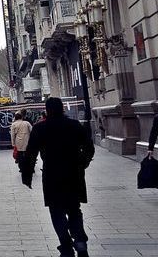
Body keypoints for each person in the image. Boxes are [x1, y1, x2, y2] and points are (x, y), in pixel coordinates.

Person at [21, 97, 95, 257]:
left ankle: (66, 245)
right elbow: (89, 147)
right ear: (62, 108)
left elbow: (31, 153)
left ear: (47, 110)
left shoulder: (40, 128)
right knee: (74, 209)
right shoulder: (74, 125)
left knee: (56, 211)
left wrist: (26, 175)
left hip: (52, 175)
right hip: (74, 174)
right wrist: (82, 163)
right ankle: (80, 242)